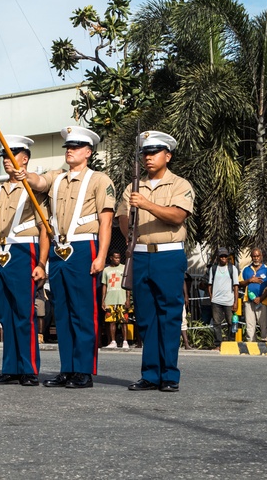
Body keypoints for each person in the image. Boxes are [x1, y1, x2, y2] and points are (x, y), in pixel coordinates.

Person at [22, 127, 115, 390]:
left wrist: (102, 256)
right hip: (59, 249)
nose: (69, 151)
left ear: (88, 152)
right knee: (62, 313)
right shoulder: (57, 177)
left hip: (85, 246)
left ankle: (83, 370)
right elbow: (38, 182)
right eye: (68, 147)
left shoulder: (99, 180)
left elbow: (106, 222)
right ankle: (67, 368)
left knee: (83, 312)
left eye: (75, 147)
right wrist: (25, 174)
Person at [119, 130, 194, 393]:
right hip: (140, 253)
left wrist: (146, 204)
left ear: (168, 156)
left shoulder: (180, 185)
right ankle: (150, 374)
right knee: (146, 317)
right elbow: (123, 218)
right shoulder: (133, 186)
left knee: (169, 316)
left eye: (154, 153)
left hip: (168, 254)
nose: (148, 157)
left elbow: (177, 216)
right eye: (145, 153)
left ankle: (169, 374)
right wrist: (129, 229)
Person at [0, 136, 45, 387]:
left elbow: (44, 229)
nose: (6, 160)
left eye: (11, 155)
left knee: (24, 313)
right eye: (4, 155)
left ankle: (29, 369)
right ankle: (11, 368)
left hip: (25, 250)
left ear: (24, 159)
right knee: (6, 315)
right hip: (2, 253)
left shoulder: (33, 188)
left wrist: (42, 263)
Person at [208, 248, 239, 348]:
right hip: (216, 301)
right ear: (218, 257)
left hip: (229, 300)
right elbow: (210, 284)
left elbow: (236, 286)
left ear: (228, 257)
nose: (223, 258)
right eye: (221, 256)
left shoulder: (232, 268)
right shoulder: (213, 268)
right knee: (216, 323)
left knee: (231, 322)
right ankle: (218, 344)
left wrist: (236, 301)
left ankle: (230, 343)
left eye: (225, 256)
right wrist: (211, 296)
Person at [239, 247, 267, 342]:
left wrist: (260, 298)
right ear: (251, 257)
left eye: (258, 256)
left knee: (264, 325)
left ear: (261, 256)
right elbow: (240, 283)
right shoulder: (246, 269)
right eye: (254, 256)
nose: (256, 258)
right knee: (250, 325)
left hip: (263, 302)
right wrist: (250, 280)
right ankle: (251, 344)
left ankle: (265, 344)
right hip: (248, 301)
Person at [101, 251, 130, 350]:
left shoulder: (124, 268)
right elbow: (104, 285)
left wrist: (128, 299)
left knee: (124, 321)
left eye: (119, 258)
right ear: (111, 258)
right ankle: (113, 341)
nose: (117, 259)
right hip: (110, 299)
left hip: (121, 299)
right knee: (111, 321)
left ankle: (125, 341)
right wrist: (103, 300)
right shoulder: (106, 270)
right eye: (116, 258)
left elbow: (127, 284)